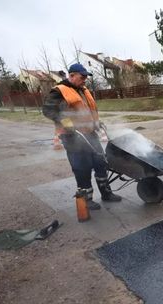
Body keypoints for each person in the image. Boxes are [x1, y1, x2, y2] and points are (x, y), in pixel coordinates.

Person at [43, 63, 121, 210]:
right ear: (71, 75)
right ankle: (86, 199)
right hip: (73, 137)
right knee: (82, 168)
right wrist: (66, 123)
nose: (85, 79)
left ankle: (106, 193)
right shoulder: (59, 91)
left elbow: (87, 111)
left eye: (86, 77)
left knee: (100, 162)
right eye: (82, 76)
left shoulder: (83, 90)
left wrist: (97, 122)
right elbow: (48, 111)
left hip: (90, 133)